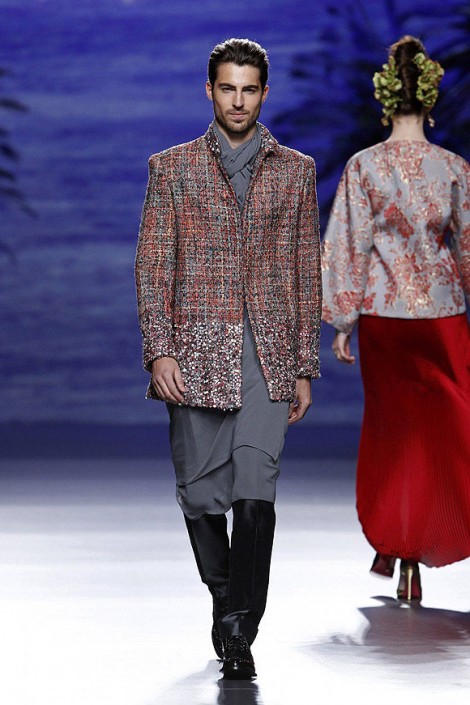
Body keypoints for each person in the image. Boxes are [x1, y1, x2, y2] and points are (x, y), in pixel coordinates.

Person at [135, 38, 321, 678]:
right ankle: (225, 600)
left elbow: (305, 271)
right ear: (209, 91)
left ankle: (242, 625)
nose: (238, 101)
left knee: (255, 483)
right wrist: (159, 351)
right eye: (227, 88)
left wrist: (303, 365)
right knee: (199, 493)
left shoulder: (295, 171)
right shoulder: (172, 168)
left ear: (264, 93)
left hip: (268, 353)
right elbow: (152, 268)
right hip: (195, 352)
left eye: (249, 89)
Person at [322, 35, 470, 602]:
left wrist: (343, 320)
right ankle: (433, 535)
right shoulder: (453, 168)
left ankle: (400, 548)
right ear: (430, 102)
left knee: (394, 431)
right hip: (442, 316)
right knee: (448, 429)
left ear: (385, 103)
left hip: (384, 318)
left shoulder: (364, 168)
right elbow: (467, 252)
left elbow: (349, 245)